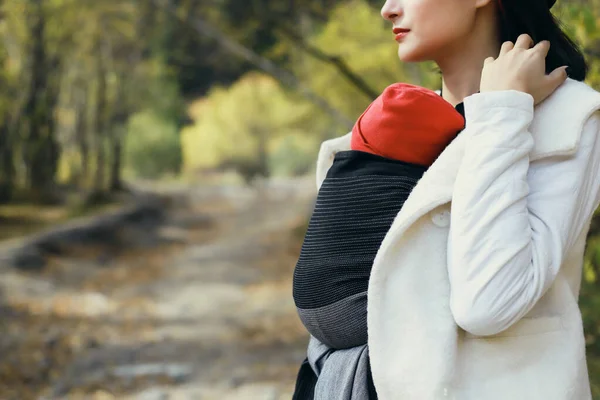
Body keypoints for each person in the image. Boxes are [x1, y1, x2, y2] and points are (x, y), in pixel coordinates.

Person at [292, 0, 600, 398]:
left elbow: (487, 304)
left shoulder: (571, 119)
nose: (388, 9)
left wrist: (504, 111)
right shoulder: (405, 124)